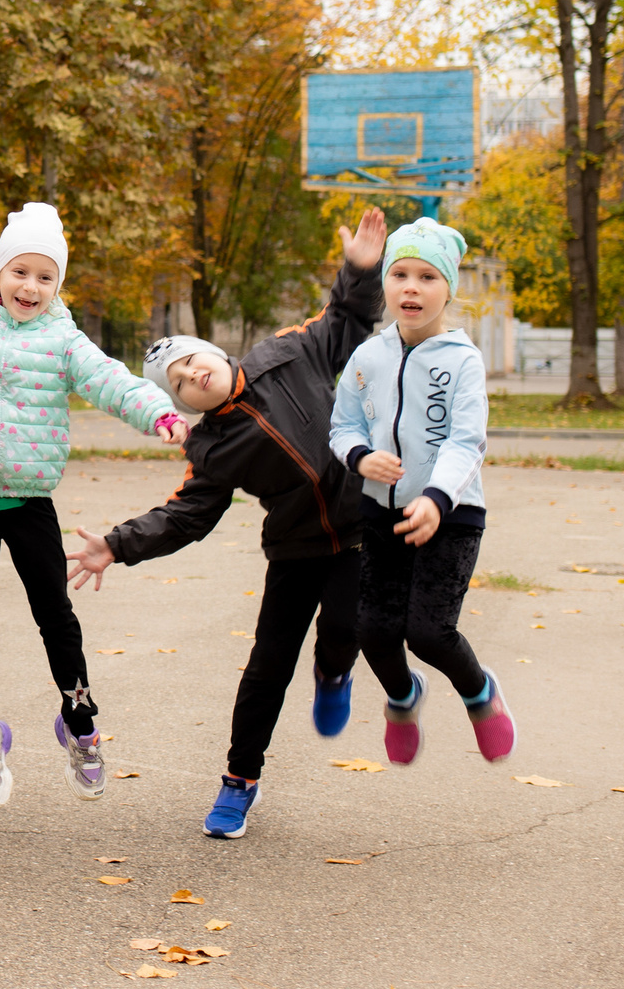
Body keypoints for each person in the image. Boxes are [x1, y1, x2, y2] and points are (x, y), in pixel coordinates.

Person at [66, 207, 390, 839]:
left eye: (192, 361)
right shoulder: (210, 448)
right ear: (181, 403)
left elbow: (347, 321)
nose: (191, 376)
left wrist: (360, 270)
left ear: (212, 351)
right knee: (266, 667)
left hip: (356, 530)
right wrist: (116, 545)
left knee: (346, 629)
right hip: (295, 551)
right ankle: (240, 782)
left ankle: (333, 672)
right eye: (178, 383)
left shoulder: (287, 353)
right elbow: (185, 516)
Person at [0, 203, 187, 809]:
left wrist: (160, 413)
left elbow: (112, 380)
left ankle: (80, 720)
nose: (30, 287)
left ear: (56, 285)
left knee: (55, 617)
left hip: (29, 500)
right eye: (20, 272)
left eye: (44, 276)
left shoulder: (63, 338)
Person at [325, 217, 510, 764]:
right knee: (373, 630)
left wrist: (435, 497)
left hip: (450, 516)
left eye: (427, 277)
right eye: (399, 273)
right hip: (381, 514)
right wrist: (360, 456)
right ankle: (402, 700)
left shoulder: (462, 360)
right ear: (385, 283)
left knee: (428, 632)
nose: (411, 287)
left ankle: (480, 693)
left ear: (447, 288)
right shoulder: (368, 356)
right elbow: (343, 427)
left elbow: (466, 440)